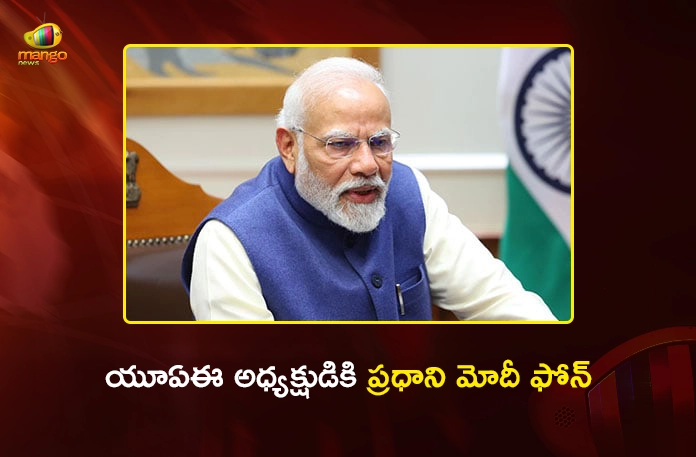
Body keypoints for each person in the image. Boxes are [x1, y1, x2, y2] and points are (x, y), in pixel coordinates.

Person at [181, 57, 557, 322]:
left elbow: (502, 304)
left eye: (380, 142)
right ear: (289, 147)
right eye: (340, 144)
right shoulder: (229, 241)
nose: (367, 165)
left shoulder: (407, 192)